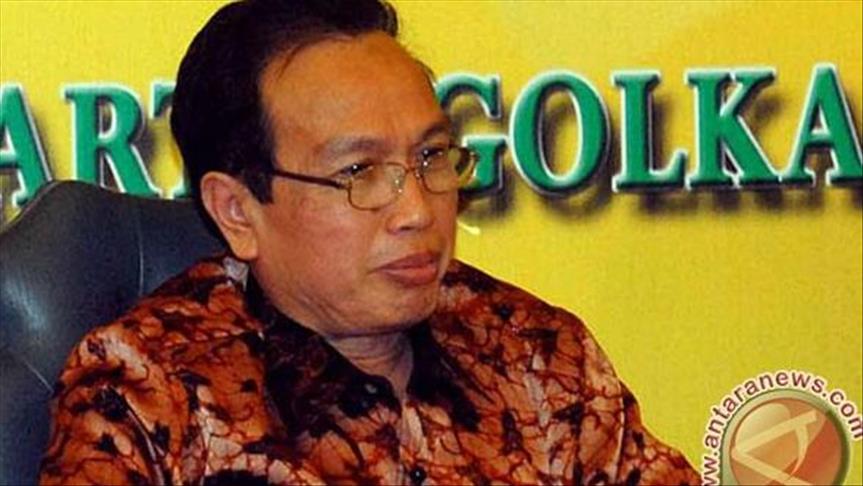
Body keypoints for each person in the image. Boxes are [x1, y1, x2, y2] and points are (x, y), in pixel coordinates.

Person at [39, 0, 700, 484]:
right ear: (237, 211)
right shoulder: (147, 391)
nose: (416, 210)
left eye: (431, 157)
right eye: (359, 172)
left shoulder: (536, 355)